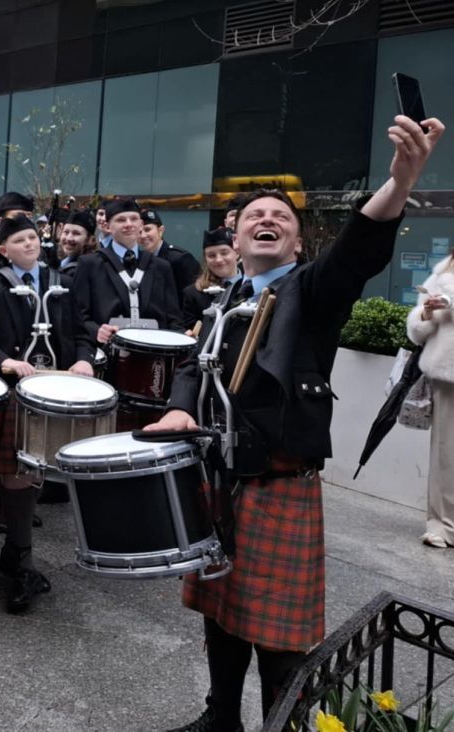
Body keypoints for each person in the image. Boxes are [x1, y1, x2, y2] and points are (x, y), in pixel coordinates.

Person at [155, 114, 444, 732]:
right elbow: (194, 364)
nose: (268, 220)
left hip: (278, 485)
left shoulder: (312, 292)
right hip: (222, 481)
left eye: (281, 218)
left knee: (278, 642)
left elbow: (355, 253)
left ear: (297, 244)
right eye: (254, 216)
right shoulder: (226, 299)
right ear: (233, 241)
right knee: (220, 615)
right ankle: (220, 718)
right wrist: (181, 404)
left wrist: (397, 184)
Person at [0, 214, 94, 613]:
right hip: (11, 390)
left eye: (33, 238)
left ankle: (16, 554)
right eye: (20, 240)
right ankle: (21, 559)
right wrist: (4, 360)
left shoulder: (62, 284)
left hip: (53, 389)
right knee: (16, 474)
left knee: (37, 470)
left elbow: (79, 333)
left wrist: (84, 360)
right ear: (3, 250)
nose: (30, 244)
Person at [72, 197, 181, 355]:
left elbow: (173, 318)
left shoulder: (161, 267)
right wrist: (97, 330)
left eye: (134, 219)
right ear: (107, 226)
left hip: (154, 355)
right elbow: (78, 316)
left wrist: (182, 335)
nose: (129, 224)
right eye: (121, 220)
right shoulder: (89, 264)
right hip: (106, 354)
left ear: (141, 225)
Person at [407, 250, 454, 549]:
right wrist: (427, 311)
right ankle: (441, 524)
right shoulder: (441, 274)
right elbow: (417, 327)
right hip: (448, 374)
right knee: (446, 455)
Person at [177, 227, 241, 334]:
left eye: (224, 253)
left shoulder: (252, 287)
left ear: (237, 253)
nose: (219, 260)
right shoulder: (194, 294)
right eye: (211, 255)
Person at [139, 208, 201, 305]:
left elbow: (192, 298)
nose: (143, 235)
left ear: (161, 230)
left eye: (147, 229)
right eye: (139, 232)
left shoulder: (180, 259)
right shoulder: (139, 260)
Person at [56, 209, 97, 283]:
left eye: (76, 233)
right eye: (66, 232)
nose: (68, 238)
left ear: (90, 240)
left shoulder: (87, 271)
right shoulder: (64, 262)